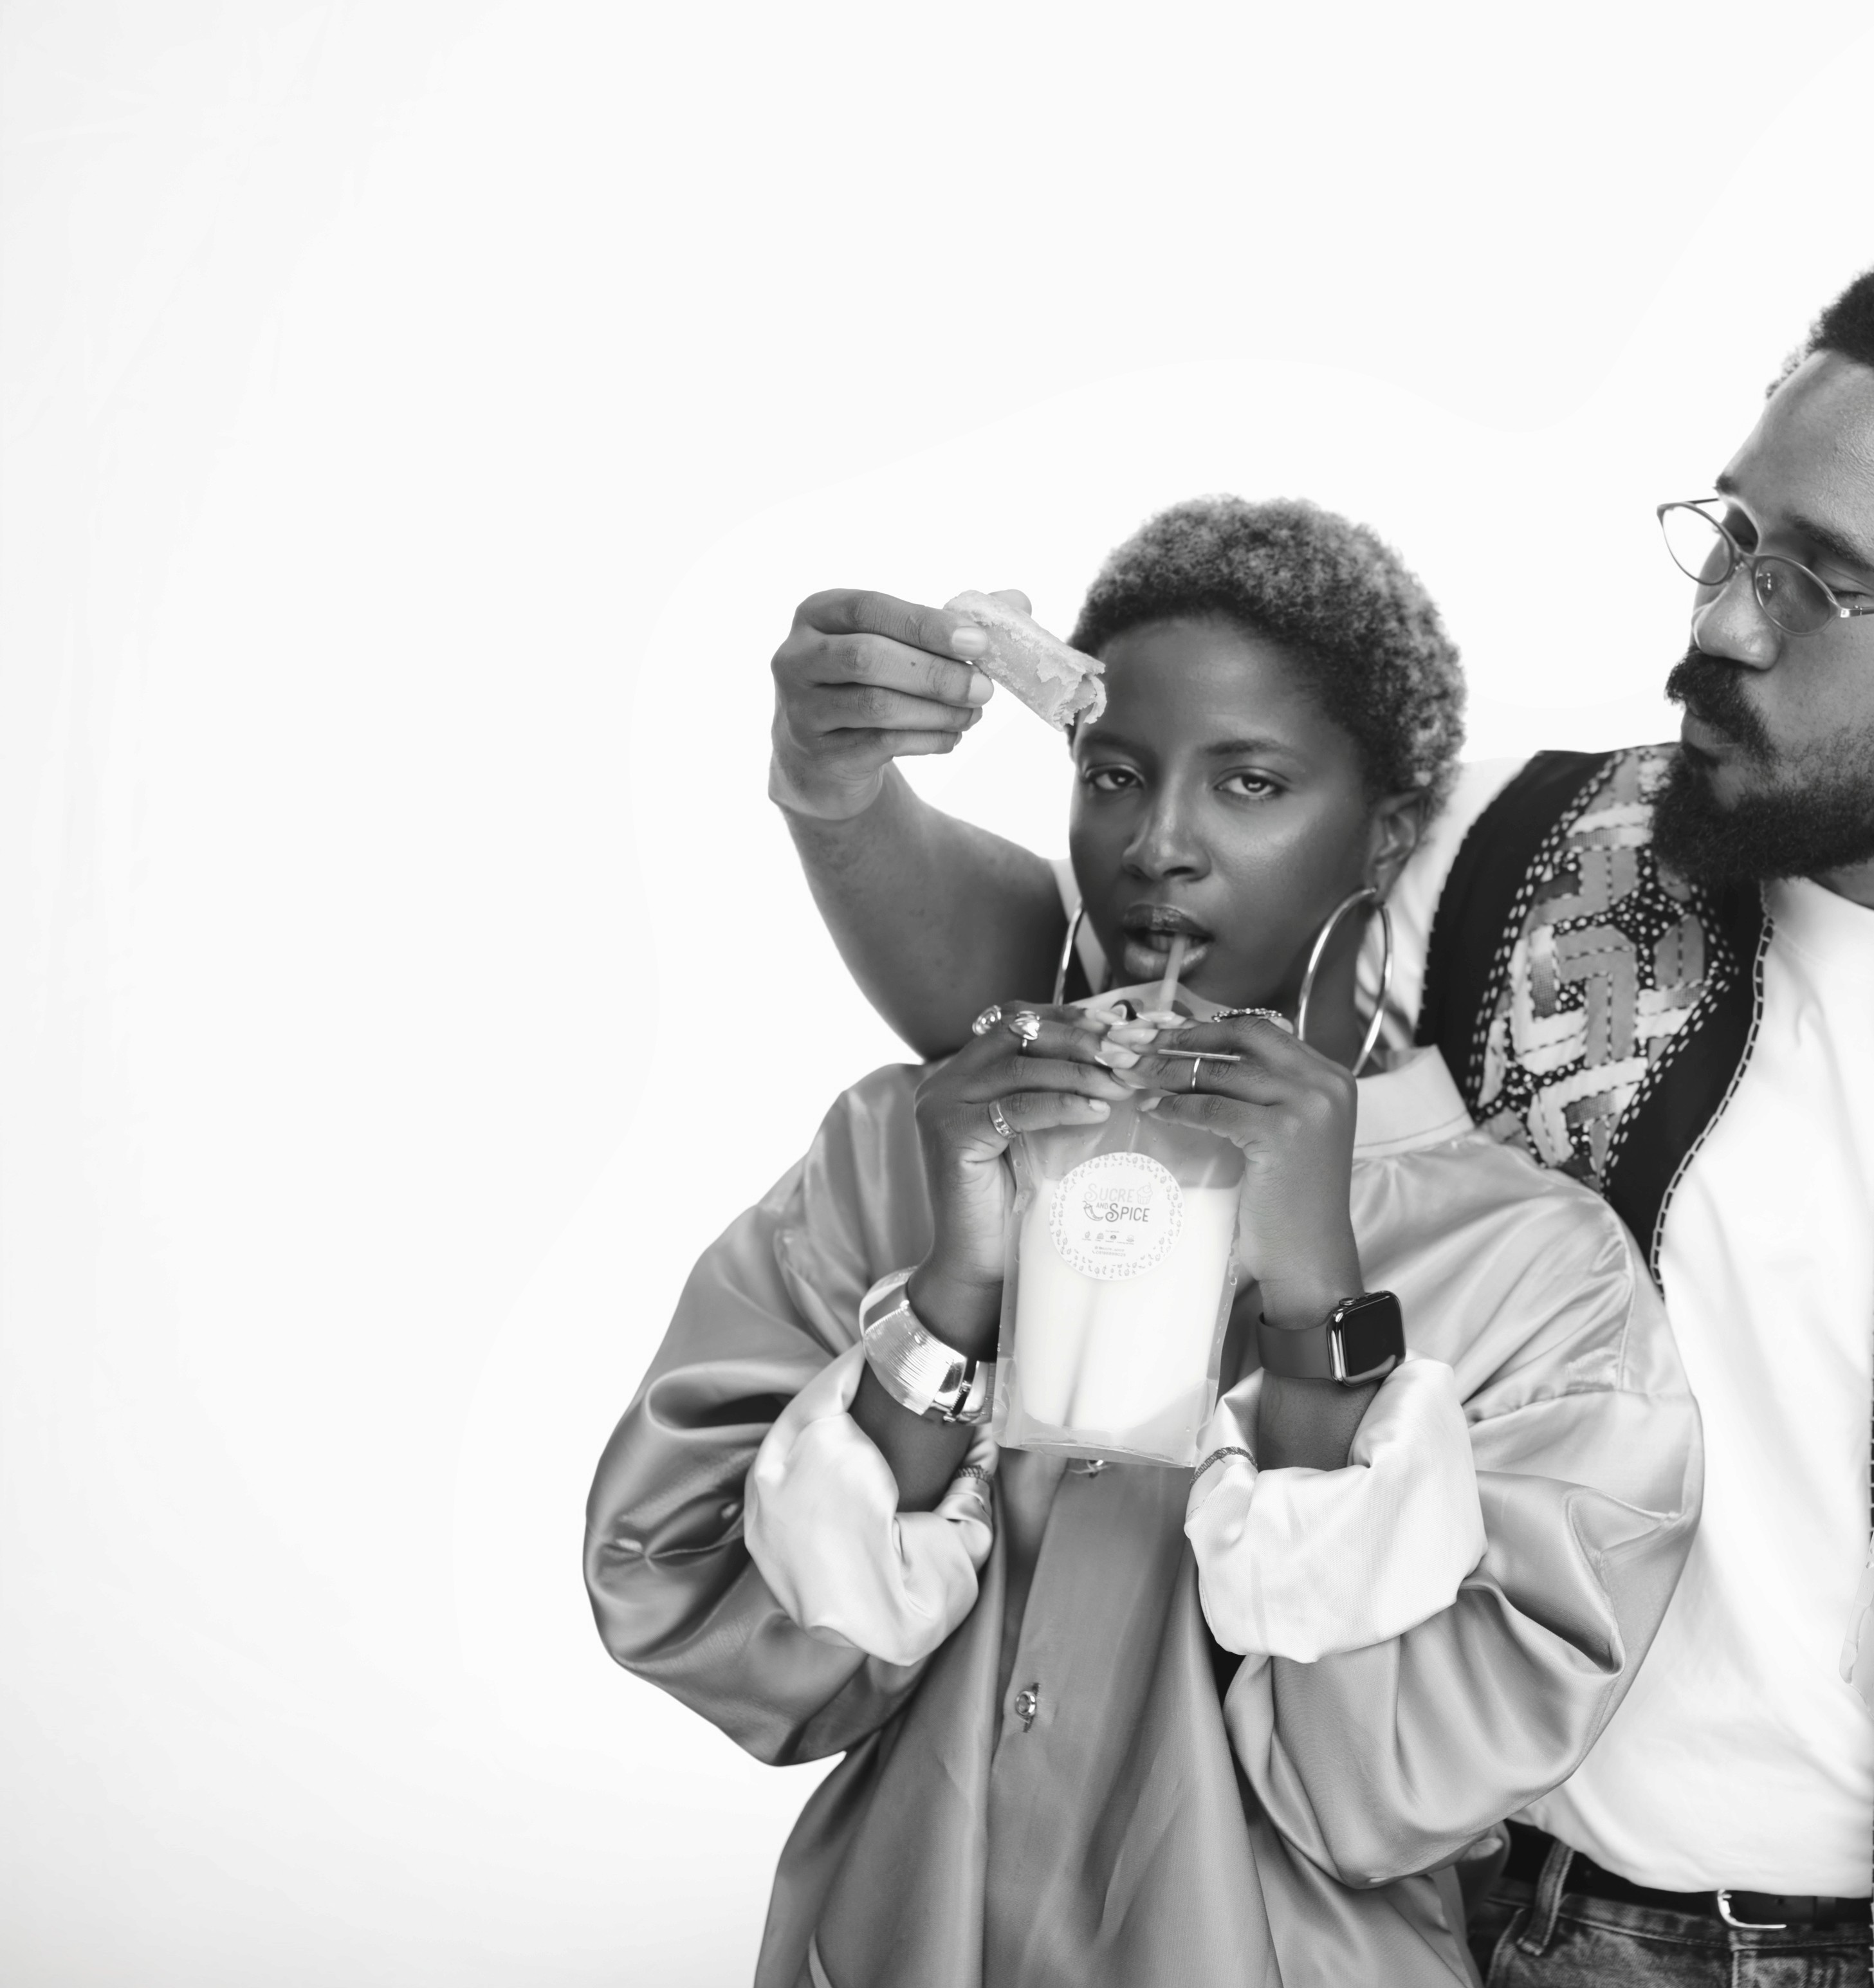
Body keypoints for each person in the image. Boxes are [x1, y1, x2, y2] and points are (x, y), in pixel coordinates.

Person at [757, 80, 1874, 1987]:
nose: (1729, 624)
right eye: (1733, 536)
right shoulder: (1510, 863)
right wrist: (841, 800)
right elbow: (1072, 1007)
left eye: (1818, 582)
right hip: (1510, 1928)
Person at [585, 497, 1702, 1987]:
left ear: (1384, 830)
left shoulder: (1535, 1271)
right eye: (1113, 775)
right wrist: (954, 1299)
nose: (1160, 845)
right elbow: (703, 1619)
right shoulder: (904, 1149)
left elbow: (1387, 1791)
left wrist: (1317, 1309)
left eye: (1251, 782)